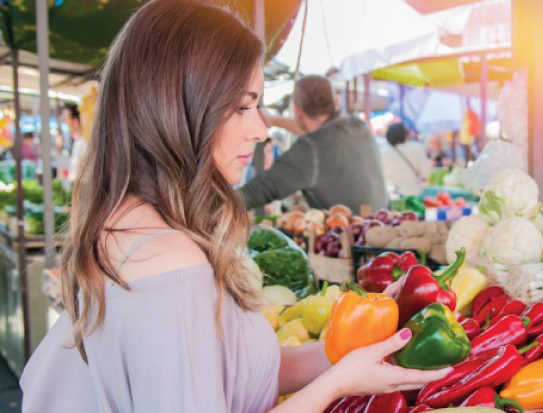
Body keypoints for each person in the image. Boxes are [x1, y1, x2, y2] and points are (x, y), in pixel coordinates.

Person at [19, 1, 448, 412]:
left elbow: (237, 375)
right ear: (180, 110)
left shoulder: (130, 226)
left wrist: (349, 346)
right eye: (243, 106)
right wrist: (336, 386)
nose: (261, 129)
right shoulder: (169, 267)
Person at [243, 76, 389, 214]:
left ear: (297, 111)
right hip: (385, 227)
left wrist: (223, 203)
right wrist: (273, 120)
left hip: (351, 237)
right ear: (335, 102)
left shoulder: (310, 149)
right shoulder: (358, 126)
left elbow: (260, 190)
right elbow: (316, 130)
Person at [380, 123, 431, 196]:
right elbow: (426, 174)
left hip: (393, 194)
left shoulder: (383, 152)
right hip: (414, 193)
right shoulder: (417, 148)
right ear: (405, 134)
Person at [64, 103, 86, 182]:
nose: (65, 122)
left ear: (75, 121)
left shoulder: (83, 143)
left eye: (66, 118)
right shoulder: (76, 142)